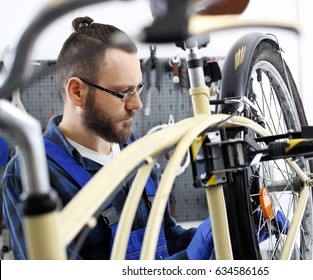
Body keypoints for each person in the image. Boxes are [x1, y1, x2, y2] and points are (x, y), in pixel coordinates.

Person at [2, 16, 213, 260]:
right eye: (124, 92)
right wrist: (186, 263)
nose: (137, 103)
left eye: (138, 88)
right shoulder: (29, 176)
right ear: (77, 92)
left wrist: (213, 237)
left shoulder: (137, 151)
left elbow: (164, 238)